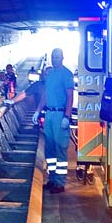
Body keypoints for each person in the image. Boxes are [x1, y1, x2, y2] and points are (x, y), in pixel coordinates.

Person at [33, 48, 74, 194]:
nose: (55, 59)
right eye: (53, 57)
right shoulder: (50, 75)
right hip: (49, 114)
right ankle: (52, 179)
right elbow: (45, 95)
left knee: (60, 148)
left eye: (57, 57)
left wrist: (67, 117)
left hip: (59, 115)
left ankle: (60, 183)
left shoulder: (67, 75)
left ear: (62, 57)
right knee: (49, 148)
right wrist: (38, 110)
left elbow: (70, 97)